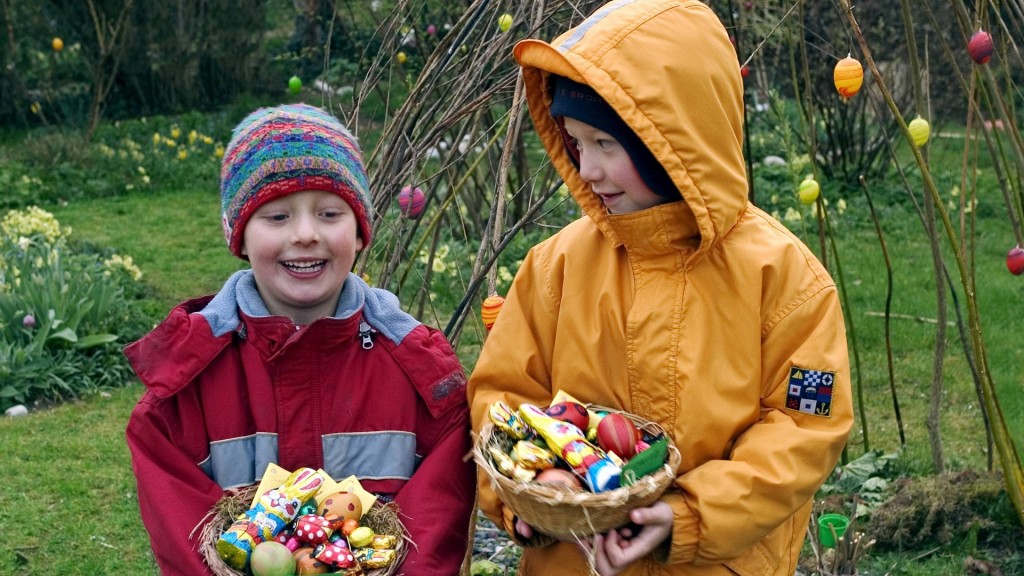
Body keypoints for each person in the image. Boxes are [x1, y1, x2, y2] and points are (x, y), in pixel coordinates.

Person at [466, 1, 854, 575]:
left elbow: (803, 427)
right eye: (576, 142)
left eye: (606, 144)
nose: (588, 169)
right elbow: (503, 395)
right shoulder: (558, 267)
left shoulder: (785, 280)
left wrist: (689, 514)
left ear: (673, 143)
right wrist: (520, 495)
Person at [125, 103, 475, 576]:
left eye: (330, 213)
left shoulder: (418, 374)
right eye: (277, 217)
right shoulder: (187, 385)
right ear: (240, 236)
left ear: (360, 233)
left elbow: (434, 523)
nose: (306, 234)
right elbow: (186, 535)